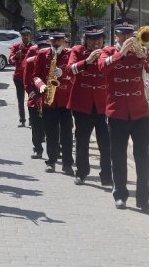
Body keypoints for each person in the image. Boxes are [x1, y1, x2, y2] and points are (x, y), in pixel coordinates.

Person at [98, 17, 149, 211]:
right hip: (117, 113)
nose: (126, 37)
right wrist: (121, 53)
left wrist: (145, 56)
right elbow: (102, 68)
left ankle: (143, 199)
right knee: (118, 156)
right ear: (115, 35)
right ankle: (120, 195)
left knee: (143, 157)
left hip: (140, 113)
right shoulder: (108, 51)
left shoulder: (141, 52)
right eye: (122, 34)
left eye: (129, 34)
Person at [67, 25, 112, 186]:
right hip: (82, 105)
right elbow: (69, 70)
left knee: (105, 143)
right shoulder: (78, 51)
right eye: (92, 39)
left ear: (103, 39)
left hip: (102, 105)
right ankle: (81, 172)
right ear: (86, 40)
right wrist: (87, 61)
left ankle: (106, 176)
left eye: (99, 38)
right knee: (82, 141)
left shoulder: (108, 52)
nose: (95, 42)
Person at [32, 29, 75, 174]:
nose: (55, 43)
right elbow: (35, 75)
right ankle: (51, 161)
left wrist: (65, 73)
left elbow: (76, 75)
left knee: (67, 134)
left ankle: (67, 163)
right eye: (53, 40)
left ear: (64, 41)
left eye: (58, 40)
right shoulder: (43, 54)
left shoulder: (70, 54)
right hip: (49, 101)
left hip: (65, 100)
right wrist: (41, 85)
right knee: (51, 134)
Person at [23, 33, 50, 159]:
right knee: (36, 127)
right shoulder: (30, 61)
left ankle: (54, 151)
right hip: (35, 99)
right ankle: (37, 148)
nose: (44, 49)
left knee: (51, 127)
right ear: (37, 48)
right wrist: (35, 97)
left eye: (47, 46)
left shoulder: (53, 59)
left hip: (50, 99)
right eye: (41, 46)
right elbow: (27, 83)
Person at [9, 26, 34, 127]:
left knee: (32, 98)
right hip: (19, 77)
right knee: (20, 99)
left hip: (31, 77)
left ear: (30, 36)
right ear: (21, 36)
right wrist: (16, 56)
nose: (26, 37)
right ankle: (22, 119)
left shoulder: (34, 47)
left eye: (27, 35)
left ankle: (32, 119)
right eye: (24, 35)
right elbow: (10, 60)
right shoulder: (16, 46)